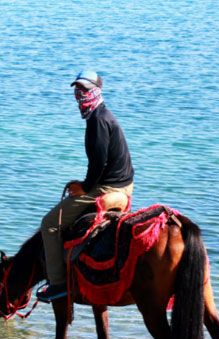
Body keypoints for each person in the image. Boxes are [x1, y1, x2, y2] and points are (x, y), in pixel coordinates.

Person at [37, 70, 135, 302]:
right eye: (77, 89)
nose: (80, 94)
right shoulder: (102, 115)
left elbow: (98, 163)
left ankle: (58, 283)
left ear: (96, 90)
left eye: (85, 90)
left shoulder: (97, 121)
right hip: (122, 184)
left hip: (108, 188)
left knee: (50, 224)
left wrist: (84, 186)